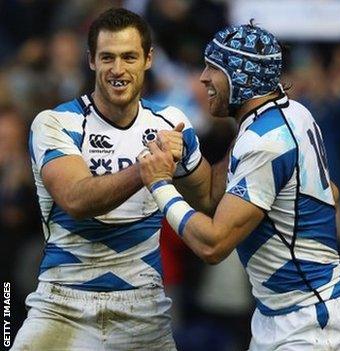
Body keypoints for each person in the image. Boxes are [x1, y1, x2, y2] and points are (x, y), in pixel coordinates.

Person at [138, 23, 340, 350]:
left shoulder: (266, 143)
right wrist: (188, 159)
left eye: (213, 68)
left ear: (240, 77)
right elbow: (212, 195)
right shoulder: (284, 114)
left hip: (312, 320)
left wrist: (160, 185)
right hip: (290, 312)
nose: (203, 78)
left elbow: (213, 246)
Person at [11, 8, 220, 350]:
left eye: (129, 57)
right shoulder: (54, 122)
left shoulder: (171, 121)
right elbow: (77, 199)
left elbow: (208, 199)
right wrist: (146, 167)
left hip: (145, 309)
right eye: (107, 57)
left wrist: (245, 133)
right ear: (91, 60)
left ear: (148, 59)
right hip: (63, 306)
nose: (118, 70)